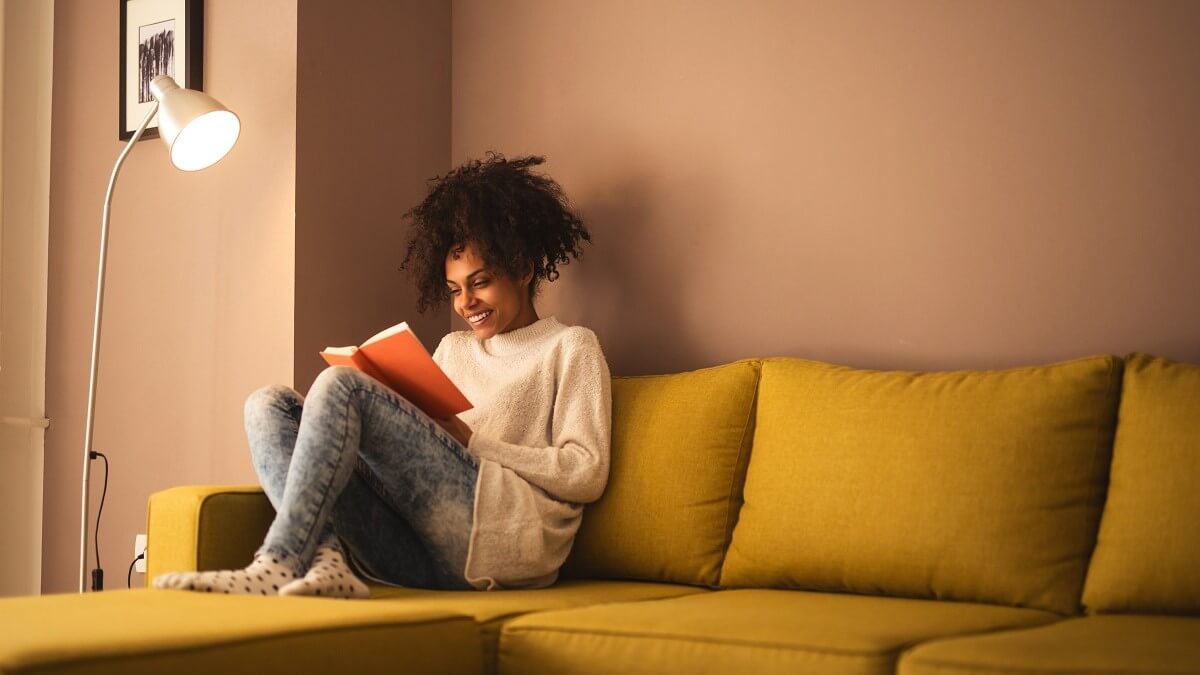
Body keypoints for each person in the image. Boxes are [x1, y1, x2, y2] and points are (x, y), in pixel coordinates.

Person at [152, 152, 612, 598]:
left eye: (480, 282)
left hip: (509, 541)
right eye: (454, 289)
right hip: (419, 548)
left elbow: (586, 471)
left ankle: (281, 559)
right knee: (267, 404)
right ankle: (325, 561)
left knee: (341, 386)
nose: (465, 303)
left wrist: (473, 441)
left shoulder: (570, 347)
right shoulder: (453, 349)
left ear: (524, 268)